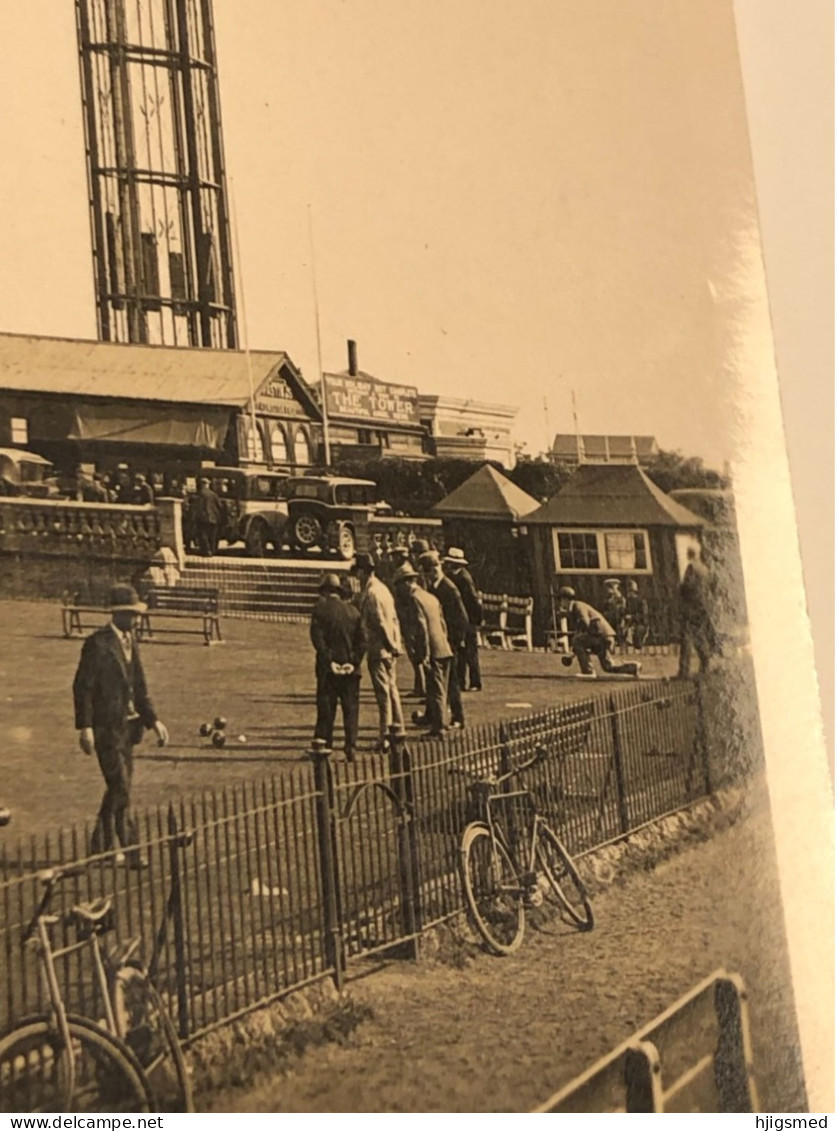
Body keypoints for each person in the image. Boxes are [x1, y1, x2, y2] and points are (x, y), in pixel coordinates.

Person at [72, 584, 169, 866]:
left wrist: (154, 721)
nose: (135, 619)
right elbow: (83, 688)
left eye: (136, 614)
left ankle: (98, 851)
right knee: (121, 787)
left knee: (118, 788)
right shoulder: (97, 644)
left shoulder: (131, 641)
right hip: (105, 729)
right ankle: (132, 852)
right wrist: (85, 727)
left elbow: (140, 686)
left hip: (129, 729)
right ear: (117, 614)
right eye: (130, 614)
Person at [393, 563, 453, 739]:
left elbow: (422, 629)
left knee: (435, 691)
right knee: (440, 688)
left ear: (406, 583)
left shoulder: (414, 599)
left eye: (398, 585)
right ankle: (435, 719)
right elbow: (442, 624)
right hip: (443, 647)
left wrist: (425, 655)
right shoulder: (430, 597)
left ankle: (439, 729)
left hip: (433, 651)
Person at [352, 552, 404, 754]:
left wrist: (390, 645)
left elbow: (381, 622)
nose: (357, 576)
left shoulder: (373, 593)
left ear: (365, 571)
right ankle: (398, 729)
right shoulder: (383, 590)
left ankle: (385, 737)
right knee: (392, 690)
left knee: (383, 695)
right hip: (389, 648)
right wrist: (396, 643)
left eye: (358, 572)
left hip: (379, 648)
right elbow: (394, 620)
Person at [310, 573, 365, 760]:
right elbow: (362, 642)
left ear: (325, 591)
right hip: (351, 669)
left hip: (328, 670)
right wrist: (353, 662)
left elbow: (318, 641)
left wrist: (329, 662)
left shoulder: (319, 610)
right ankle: (351, 747)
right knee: (351, 709)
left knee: (326, 708)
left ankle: (324, 744)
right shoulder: (354, 612)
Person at [419, 550, 467, 728]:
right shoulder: (434, 588)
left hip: (450, 641)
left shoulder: (449, 588)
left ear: (432, 570)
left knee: (452, 681)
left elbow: (461, 618)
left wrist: (455, 641)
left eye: (427, 572)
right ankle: (431, 714)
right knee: (434, 679)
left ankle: (458, 717)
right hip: (440, 640)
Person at [556, 586, 641, 678]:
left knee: (576, 640)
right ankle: (634, 667)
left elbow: (585, 622)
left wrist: (579, 642)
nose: (560, 603)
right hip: (604, 636)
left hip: (600, 635)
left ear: (566, 599)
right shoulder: (576, 608)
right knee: (608, 666)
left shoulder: (578, 606)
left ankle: (588, 672)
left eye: (560, 599)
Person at [443, 547, 483, 691]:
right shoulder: (453, 576)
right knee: (461, 651)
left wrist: (476, 620)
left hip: (469, 619)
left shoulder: (464, 578)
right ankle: (460, 680)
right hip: (459, 618)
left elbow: (473, 600)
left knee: (470, 651)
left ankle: (475, 682)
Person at [390, 545, 425, 699]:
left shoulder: (404, 572)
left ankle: (421, 686)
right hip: (407, 617)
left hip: (409, 619)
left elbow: (404, 599)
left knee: (416, 654)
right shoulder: (404, 569)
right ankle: (420, 686)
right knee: (415, 655)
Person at [677, 547, 718, 678]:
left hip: (691, 606)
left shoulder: (692, 568)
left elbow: (688, 586)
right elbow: (713, 587)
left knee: (686, 638)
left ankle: (684, 671)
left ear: (690, 554)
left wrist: (680, 588)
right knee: (699, 636)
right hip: (703, 607)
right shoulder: (705, 569)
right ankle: (705, 665)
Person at [193, 477, 223, 557]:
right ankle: (212, 551)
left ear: (202, 485)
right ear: (208, 485)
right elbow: (220, 506)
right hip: (214, 518)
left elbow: (196, 506)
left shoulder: (199, 494)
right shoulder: (213, 494)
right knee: (212, 536)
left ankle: (206, 551)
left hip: (202, 518)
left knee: (203, 534)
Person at [623, 579, 649, 651]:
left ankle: (637, 645)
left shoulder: (641, 602)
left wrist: (632, 617)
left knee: (638, 630)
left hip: (640, 623)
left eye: (632, 592)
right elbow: (625, 612)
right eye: (629, 592)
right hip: (629, 623)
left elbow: (644, 615)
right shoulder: (627, 602)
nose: (630, 594)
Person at [602, 578, 627, 649]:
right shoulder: (607, 599)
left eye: (612, 587)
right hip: (609, 618)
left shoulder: (620, 598)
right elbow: (604, 608)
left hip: (618, 618)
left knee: (619, 630)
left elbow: (623, 609)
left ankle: (621, 644)